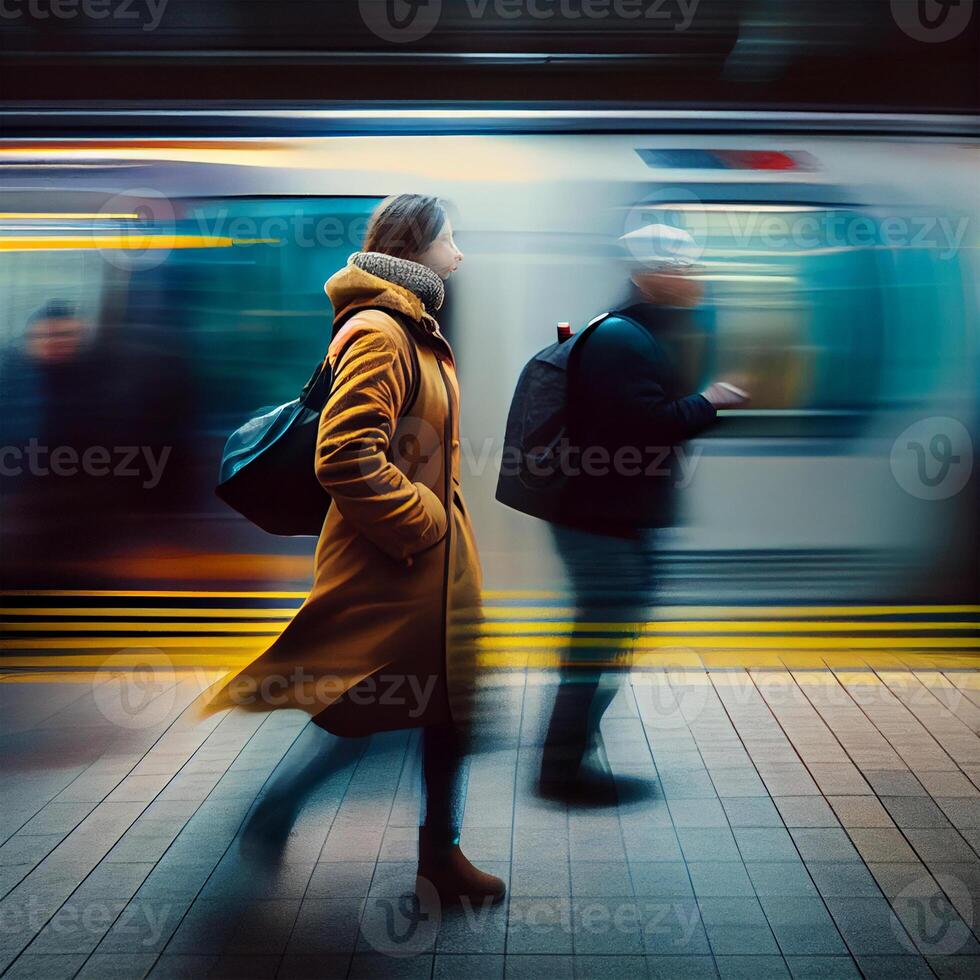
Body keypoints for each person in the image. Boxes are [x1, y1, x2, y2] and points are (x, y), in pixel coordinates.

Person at [196, 194, 504, 907]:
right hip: (393, 562)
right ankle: (280, 813)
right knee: (368, 711)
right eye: (451, 241)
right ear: (417, 246)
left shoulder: (409, 325)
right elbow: (342, 456)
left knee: (439, 711)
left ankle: (441, 857)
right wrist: (423, 521)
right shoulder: (381, 330)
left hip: (423, 565)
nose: (459, 256)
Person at [537, 224, 750, 804]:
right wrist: (712, 401)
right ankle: (562, 770)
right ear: (649, 275)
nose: (694, 278)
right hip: (599, 519)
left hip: (614, 516)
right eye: (683, 268)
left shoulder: (640, 333)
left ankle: (571, 756)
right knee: (600, 637)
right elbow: (646, 425)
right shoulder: (622, 340)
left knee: (609, 635)